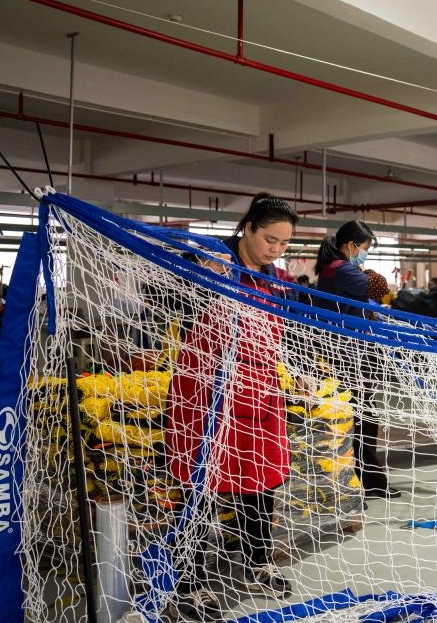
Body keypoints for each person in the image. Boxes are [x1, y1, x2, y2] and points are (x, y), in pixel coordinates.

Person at [165, 193, 298, 621]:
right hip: (207, 397)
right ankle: (191, 583)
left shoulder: (275, 279)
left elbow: (283, 334)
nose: (276, 250)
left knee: (262, 484)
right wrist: (201, 272)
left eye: (283, 244)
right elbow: (167, 296)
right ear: (248, 229)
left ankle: (258, 563)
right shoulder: (214, 264)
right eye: (270, 240)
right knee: (199, 486)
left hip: (259, 395)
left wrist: (298, 369)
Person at [314, 220, 401, 500]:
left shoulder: (333, 270)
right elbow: (379, 286)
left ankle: (365, 482)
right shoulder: (342, 271)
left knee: (361, 416)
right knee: (363, 417)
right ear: (351, 246)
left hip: (348, 351)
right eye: (364, 249)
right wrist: (370, 273)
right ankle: (369, 483)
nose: (365, 255)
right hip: (350, 354)